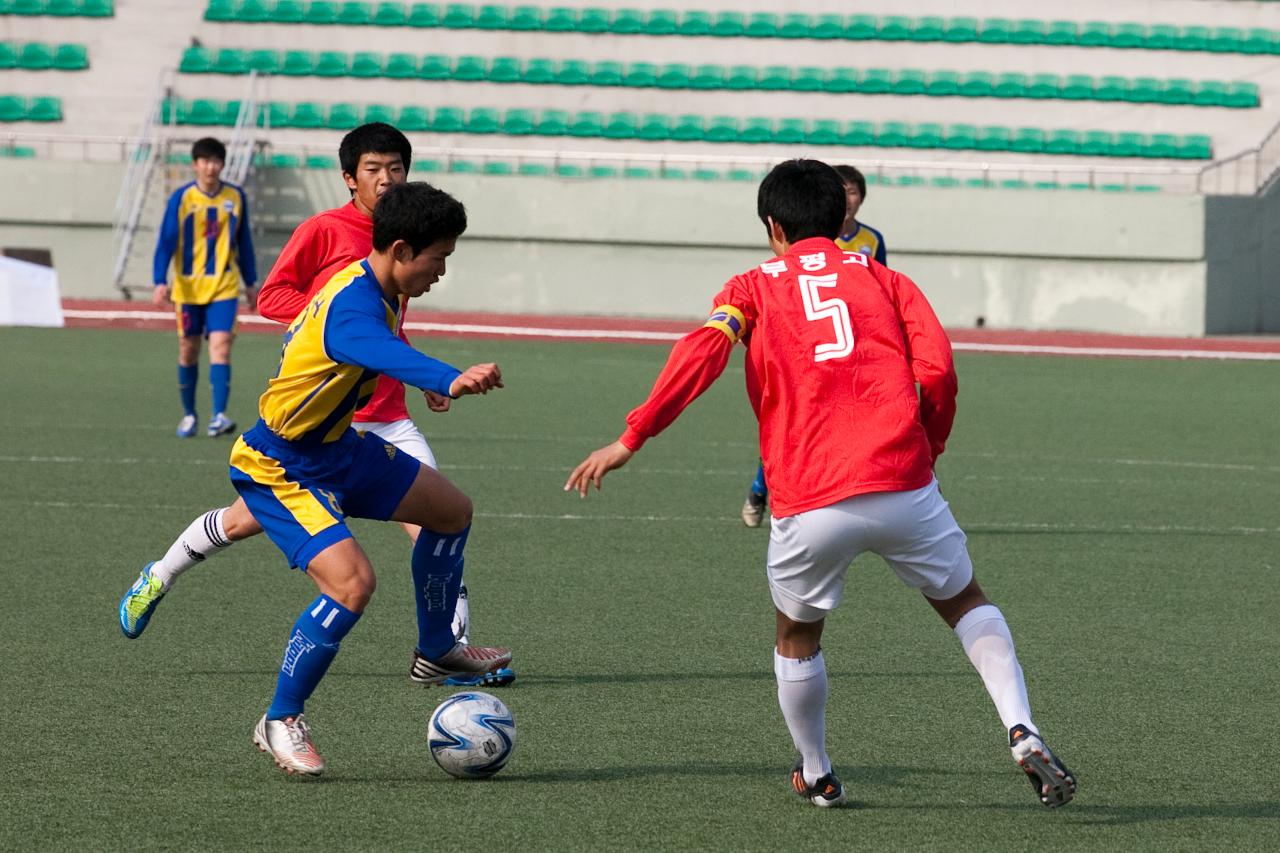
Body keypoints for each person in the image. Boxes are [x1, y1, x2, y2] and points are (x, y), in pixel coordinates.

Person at [565, 160, 1074, 809]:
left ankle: (817, 769)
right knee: (966, 601)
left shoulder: (751, 286)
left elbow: (703, 350)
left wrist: (632, 436)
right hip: (902, 480)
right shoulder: (887, 278)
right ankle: (1020, 726)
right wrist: (929, 447)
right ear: (841, 220)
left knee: (798, 634)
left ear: (773, 227)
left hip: (810, 495)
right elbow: (939, 370)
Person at [119, 123, 513, 687]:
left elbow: (382, 334)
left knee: (442, 519)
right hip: (307, 432)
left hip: (381, 418)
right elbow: (280, 297)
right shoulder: (328, 233)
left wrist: (418, 371)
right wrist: (327, 324)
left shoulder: (414, 233)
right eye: (373, 170)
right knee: (240, 522)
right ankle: (159, 575)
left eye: (396, 168)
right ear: (350, 178)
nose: (386, 179)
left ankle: (446, 653)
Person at [229, 182, 511, 775]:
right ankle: (280, 718)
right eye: (440, 258)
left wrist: (429, 380)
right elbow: (370, 346)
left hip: (339, 450)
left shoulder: (372, 284)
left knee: (450, 510)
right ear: (403, 248)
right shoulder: (354, 304)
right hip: (281, 464)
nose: (441, 271)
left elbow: (380, 347)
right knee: (352, 584)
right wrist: (447, 378)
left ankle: (436, 648)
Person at [741, 164, 888, 528]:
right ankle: (763, 488)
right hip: (807, 348)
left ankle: (843, 496)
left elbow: (879, 291)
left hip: (851, 350)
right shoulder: (804, 242)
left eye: (854, 191)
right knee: (793, 423)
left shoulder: (870, 241)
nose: (849, 198)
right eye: (844, 191)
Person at [153, 136, 257, 438]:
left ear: (222, 164)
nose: (210, 167)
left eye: (215, 161)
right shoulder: (183, 198)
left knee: (221, 347)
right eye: (204, 161)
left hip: (224, 287)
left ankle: (218, 416)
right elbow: (166, 241)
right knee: (188, 350)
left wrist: (250, 283)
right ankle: (189, 415)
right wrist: (160, 279)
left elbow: (244, 242)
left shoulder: (235, 197)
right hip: (187, 290)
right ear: (195, 164)